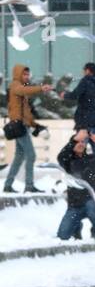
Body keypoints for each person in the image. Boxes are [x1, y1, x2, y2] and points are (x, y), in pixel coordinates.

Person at [3, 64, 52, 193]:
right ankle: (29, 186)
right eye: (24, 74)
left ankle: (8, 185)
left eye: (27, 74)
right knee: (31, 155)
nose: (27, 76)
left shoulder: (22, 91)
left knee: (19, 157)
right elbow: (24, 91)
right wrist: (41, 88)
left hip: (21, 125)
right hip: (18, 126)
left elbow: (26, 114)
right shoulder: (15, 85)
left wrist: (35, 125)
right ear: (18, 74)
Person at [62, 63, 95, 138]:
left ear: (88, 71)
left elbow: (75, 94)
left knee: (80, 145)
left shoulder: (86, 81)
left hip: (84, 119)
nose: (83, 72)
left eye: (84, 70)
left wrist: (65, 95)